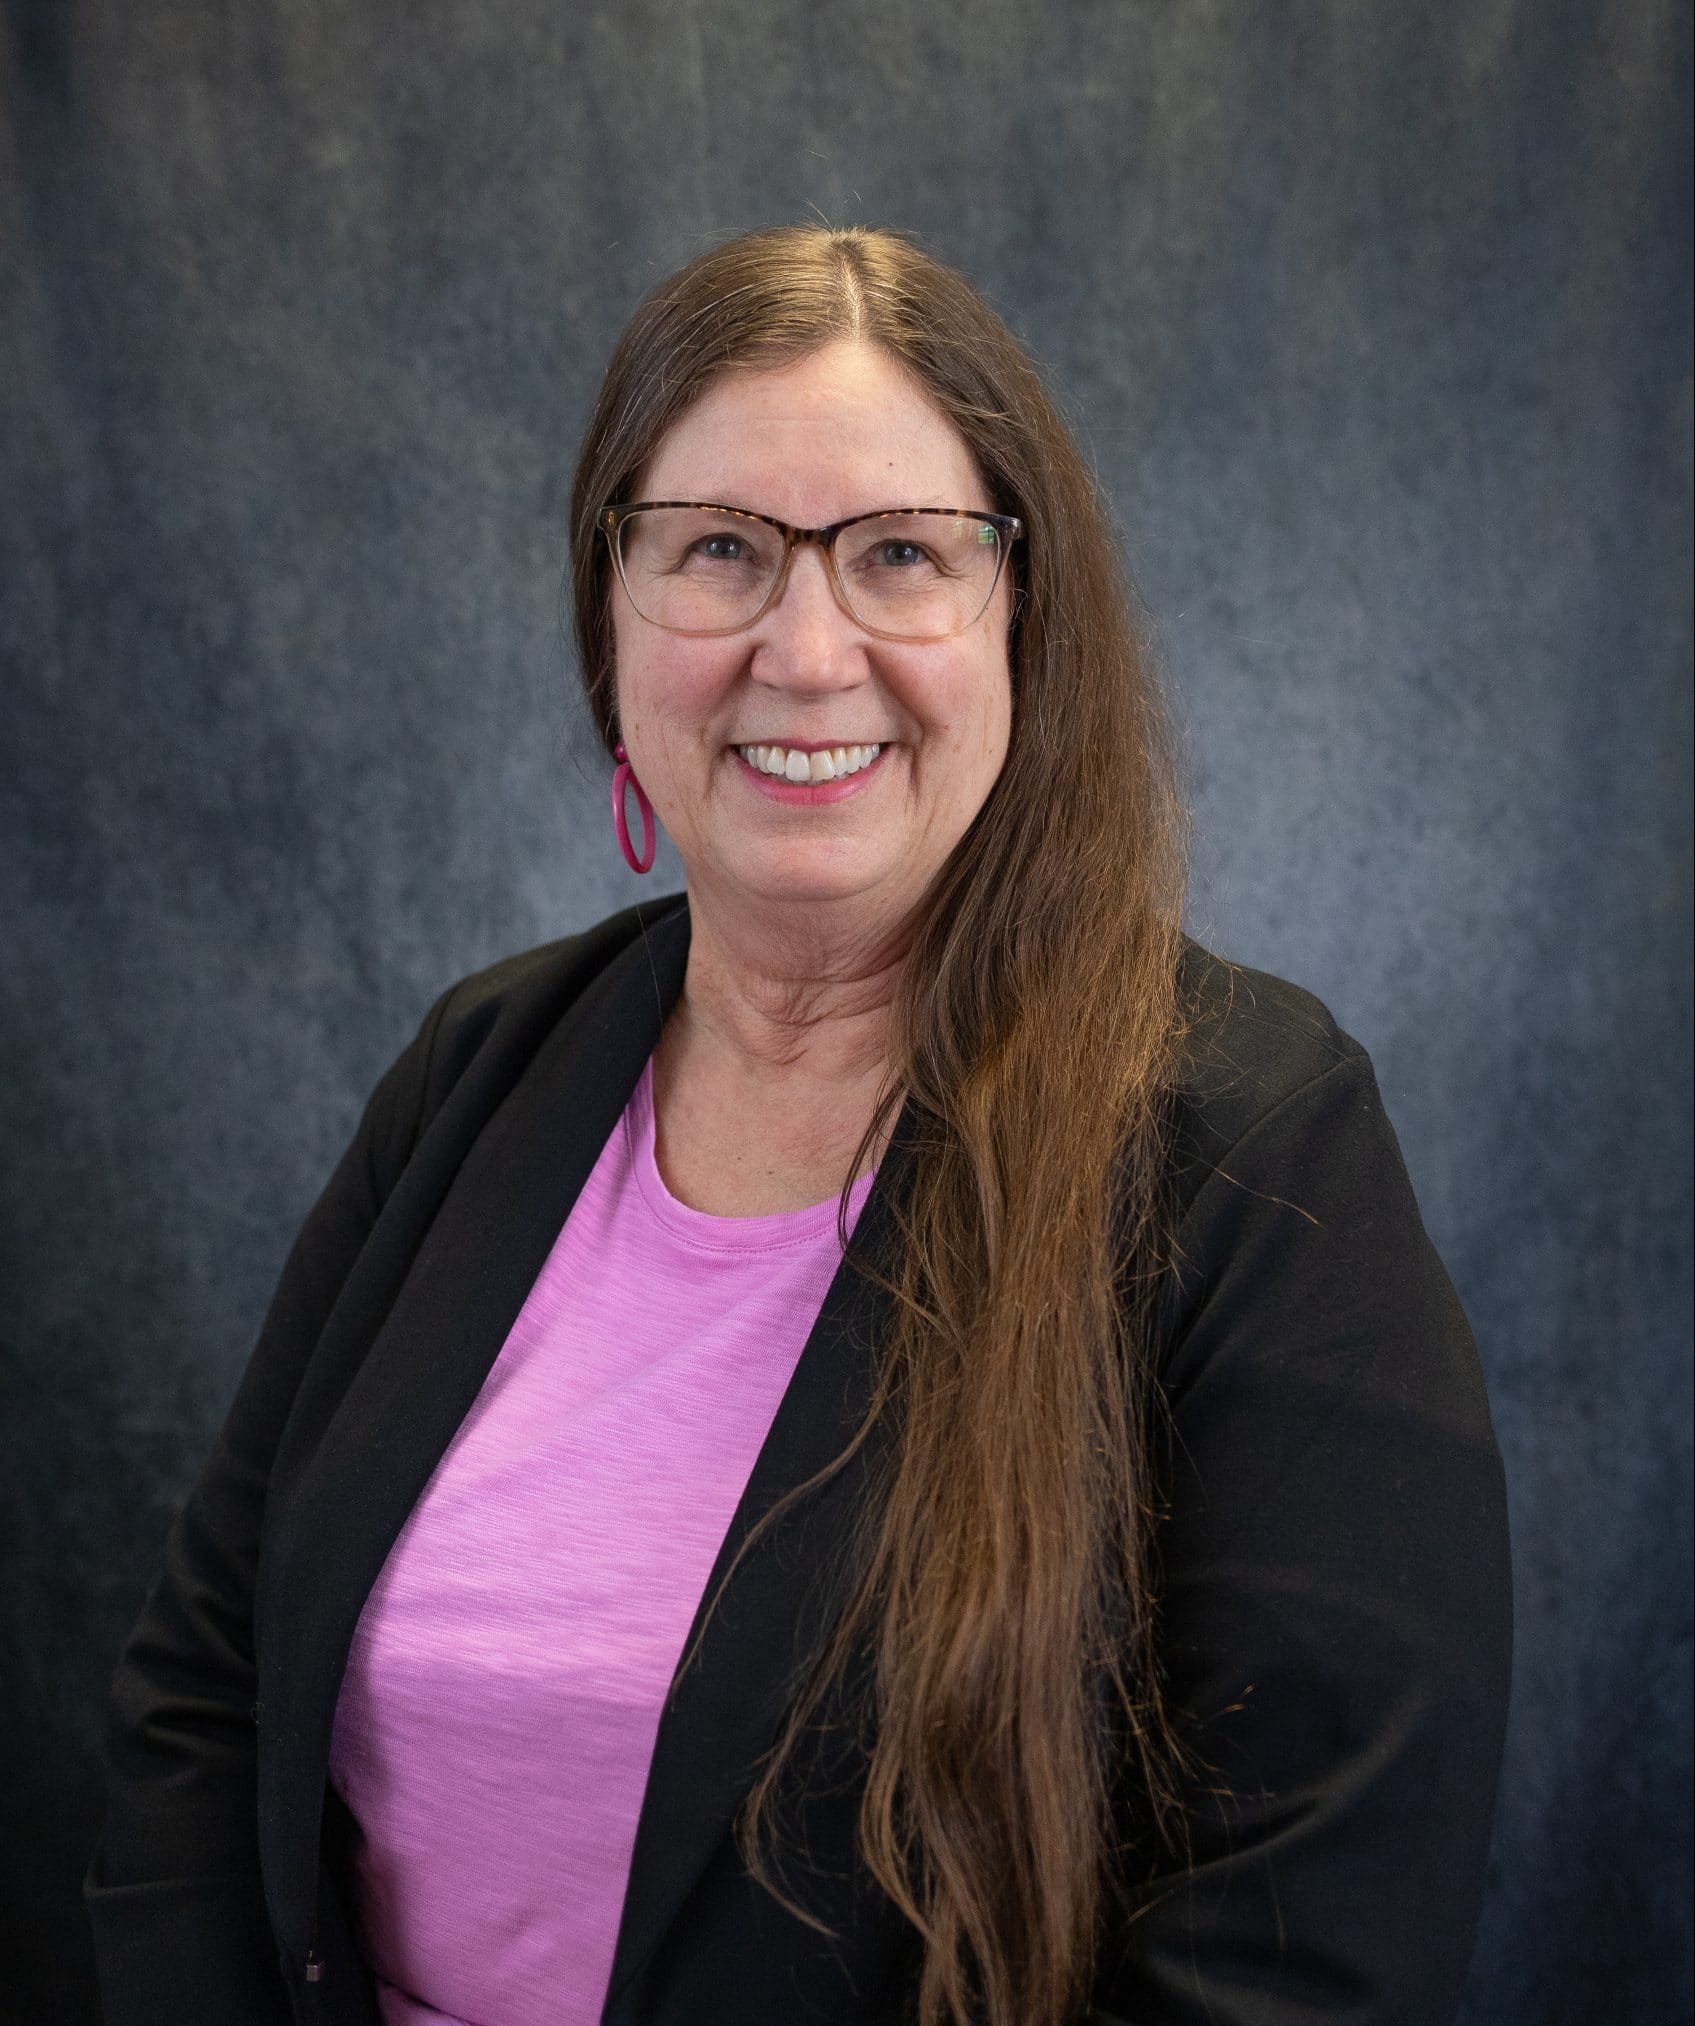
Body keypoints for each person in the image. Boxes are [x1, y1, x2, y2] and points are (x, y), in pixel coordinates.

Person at [83, 225, 1512, 2026]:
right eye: (722, 553)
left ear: (1022, 619)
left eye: (900, 553)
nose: (806, 649)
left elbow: (1317, 1924)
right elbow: (208, 1693)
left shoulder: (1250, 1139)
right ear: (612, 618)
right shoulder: (484, 1072)